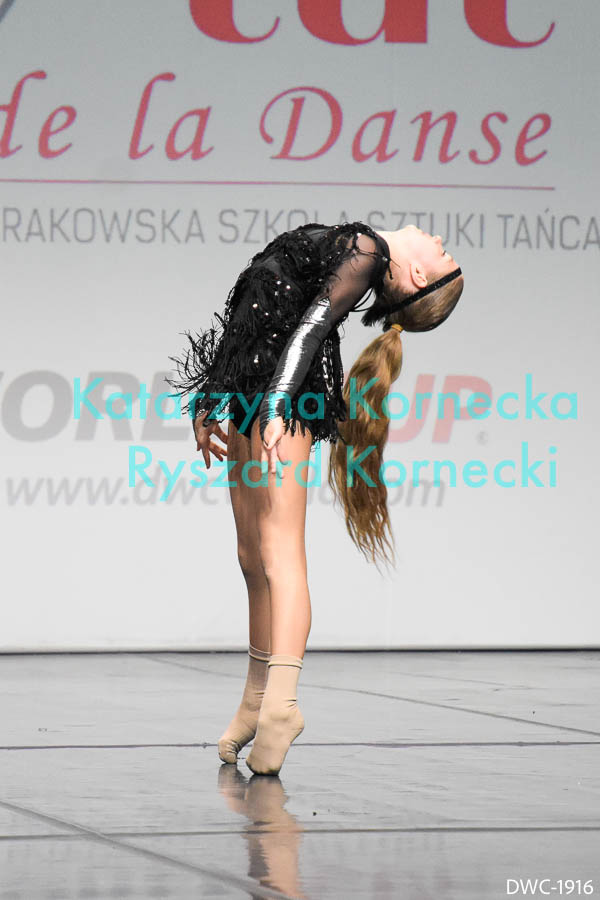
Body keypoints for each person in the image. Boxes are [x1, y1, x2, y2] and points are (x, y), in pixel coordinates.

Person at [167, 221, 464, 776]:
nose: (441, 243)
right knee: (250, 556)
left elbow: (311, 327)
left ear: (419, 275)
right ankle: (256, 698)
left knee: (279, 552)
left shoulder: (366, 250)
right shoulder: (356, 247)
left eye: (444, 256)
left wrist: (278, 405)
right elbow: (252, 319)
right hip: (255, 390)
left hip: (287, 400)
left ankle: (282, 704)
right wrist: (211, 397)